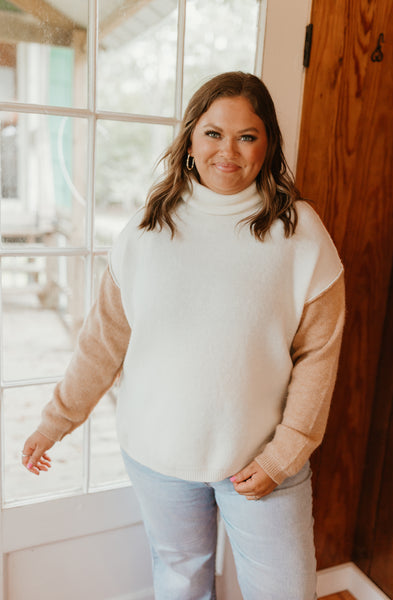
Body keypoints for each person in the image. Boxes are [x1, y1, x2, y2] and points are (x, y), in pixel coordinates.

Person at [22, 71, 345, 600]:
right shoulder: (147, 230)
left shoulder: (300, 232)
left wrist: (282, 457)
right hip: (160, 460)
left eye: (248, 136)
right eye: (214, 133)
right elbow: (104, 341)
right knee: (181, 585)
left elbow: (318, 359)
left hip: (264, 460)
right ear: (191, 138)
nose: (229, 151)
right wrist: (54, 421)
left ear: (268, 145)